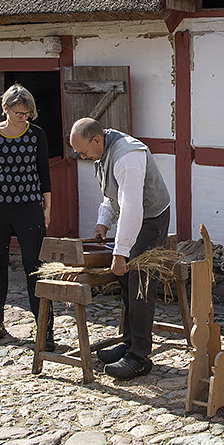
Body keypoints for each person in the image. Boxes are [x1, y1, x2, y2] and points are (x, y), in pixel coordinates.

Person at [68, 117, 171, 380]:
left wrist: (120, 252)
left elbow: (132, 208)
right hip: (134, 214)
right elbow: (111, 195)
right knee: (125, 279)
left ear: (96, 139)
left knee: (140, 285)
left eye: (82, 151)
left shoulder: (128, 155)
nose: (81, 156)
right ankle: (129, 343)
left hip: (150, 217)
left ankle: (139, 357)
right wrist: (103, 222)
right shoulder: (103, 153)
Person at [0, 85, 52, 348]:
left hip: (29, 204)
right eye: (19, 112)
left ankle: (44, 328)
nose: (23, 117)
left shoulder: (36, 135)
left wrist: (47, 208)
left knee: (35, 266)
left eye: (27, 113)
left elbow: (44, 172)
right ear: (5, 109)